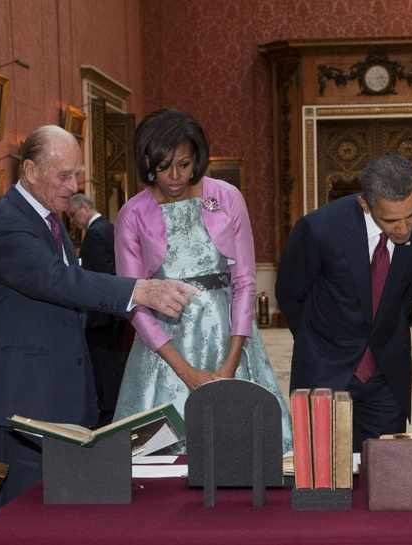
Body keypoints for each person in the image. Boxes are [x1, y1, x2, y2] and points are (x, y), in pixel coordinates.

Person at [0, 125, 199, 510]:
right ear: (30, 170)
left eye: (77, 174)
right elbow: (55, 280)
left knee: (62, 514)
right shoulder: (6, 224)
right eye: (64, 175)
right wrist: (139, 290)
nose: (74, 186)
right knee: (21, 516)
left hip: (62, 396)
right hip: (26, 402)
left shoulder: (50, 218)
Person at [112, 108, 292, 454]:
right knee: (161, 457)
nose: (174, 176)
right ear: (146, 161)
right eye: (163, 166)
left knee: (242, 452)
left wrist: (232, 361)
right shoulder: (132, 214)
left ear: (197, 157)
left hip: (228, 340)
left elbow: (244, 282)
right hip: (165, 350)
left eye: (183, 164)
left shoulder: (226, 198)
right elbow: (133, 300)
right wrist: (184, 372)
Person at [276, 154, 412, 452]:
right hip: (326, 366)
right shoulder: (319, 229)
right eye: (391, 220)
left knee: (383, 466)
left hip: (387, 369)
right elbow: (290, 293)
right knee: (323, 468)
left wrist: (382, 330)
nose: (404, 229)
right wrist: (316, 342)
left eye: (411, 214)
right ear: (365, 204)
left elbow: (409, 292)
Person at [67, 193, 128, 427]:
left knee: (105, 375)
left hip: (101, 317)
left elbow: (102, 277)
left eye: (73, 215)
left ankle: (107, 424)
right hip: (113, 316)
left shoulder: (94, 233)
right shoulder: (108, 228)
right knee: (111, 370)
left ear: (85, 207)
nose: (73, 221)